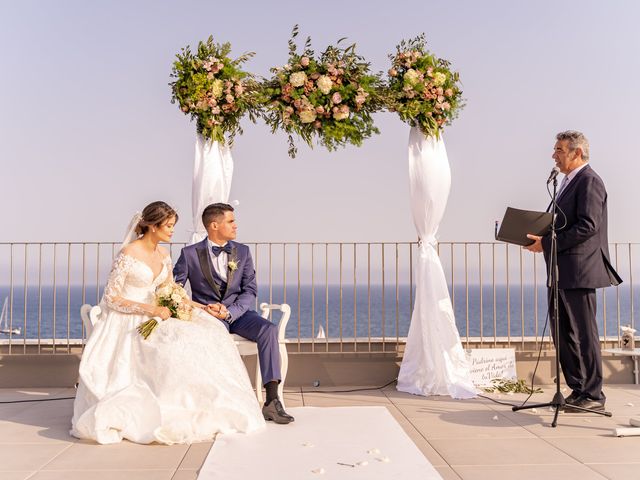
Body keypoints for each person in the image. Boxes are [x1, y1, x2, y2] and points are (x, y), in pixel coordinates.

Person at [71, 201, 265, 444]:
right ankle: (166, 403)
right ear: (153, 226)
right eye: (169, 226)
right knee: (171, 345)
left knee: (207, 330)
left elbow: (172, 290)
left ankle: (198, 401)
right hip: (129, 318)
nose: (173, 231)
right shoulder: (129, 253)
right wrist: (150, 309)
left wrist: (202, 308)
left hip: (160, 312)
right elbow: (111, 298)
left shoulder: (164, 254)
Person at [525, 131, 622, 413]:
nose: (554, 155)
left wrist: (548, 242)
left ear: (576, 153)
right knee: (563, 332)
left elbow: (588, 225)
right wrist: (537, 237)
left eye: (559, 150)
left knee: (584, 333)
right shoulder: (566, 182)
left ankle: (593, 394)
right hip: (559, 270)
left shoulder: (590, 181)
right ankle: (578, 389)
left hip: (580, 270)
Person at [173, 203, 294, 424]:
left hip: (238, 315)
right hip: (207, 317)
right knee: (209, 339)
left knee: (269, 330)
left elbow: (250, 289)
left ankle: (272, 401)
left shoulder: (243, 251)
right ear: (214, 225)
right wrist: (204, 309)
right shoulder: (189, 254)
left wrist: (229, 311)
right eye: (230, 221)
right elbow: (175, 291)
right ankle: (215, 402)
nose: (235, 225)